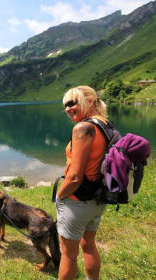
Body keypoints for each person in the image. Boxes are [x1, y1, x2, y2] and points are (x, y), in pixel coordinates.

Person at [55, 85, 108, 280]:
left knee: (68, 254)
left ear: (90, 101)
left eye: (72, 102)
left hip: (77, 200)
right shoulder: (104, 124)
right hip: (98, 198)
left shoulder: (84, 128)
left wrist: (60, 196)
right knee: (89, 244)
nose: (68, 108)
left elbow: (75, 176)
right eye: (65, 105)